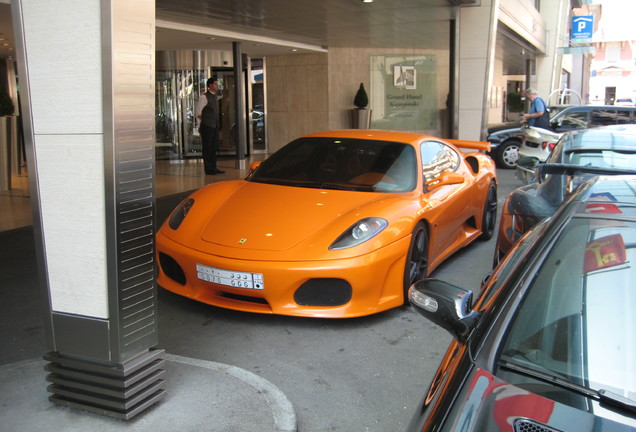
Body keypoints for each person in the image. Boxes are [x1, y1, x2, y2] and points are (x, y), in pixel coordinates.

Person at [196, 77, 225, 175]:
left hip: (214, 125)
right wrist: (199, 126)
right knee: (207, 147)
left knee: (213, 147)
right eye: (215, 84)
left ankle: (213, 167)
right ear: (210, 85)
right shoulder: (203, 97)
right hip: (206, 126)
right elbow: (198, 113)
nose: (217, 86)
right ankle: (208, 168)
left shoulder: (215, 97)